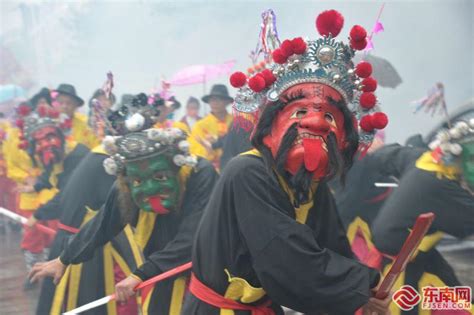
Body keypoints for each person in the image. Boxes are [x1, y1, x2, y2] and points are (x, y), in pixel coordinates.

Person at [182, 9, 391, 315]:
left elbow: (331, 243)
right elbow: (285, 256)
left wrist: (362, 292)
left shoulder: (309, 181)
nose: (316, 123)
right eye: (301, 112)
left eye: (329, 116)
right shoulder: (247, 172)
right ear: (273, 123)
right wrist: (358, 285)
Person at [30, 93, 218, 314]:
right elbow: (105, 220)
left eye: (159, 177)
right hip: (163, 273)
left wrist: (140, 274)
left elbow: (192, 239)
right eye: (138, 181)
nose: (148, 189)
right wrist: (64, 258)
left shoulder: (199, 174)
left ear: (176, 167)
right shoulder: (127, 177)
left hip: (207, 274)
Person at [30, 94, 153, 315]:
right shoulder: (108, 162)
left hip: (74, 241)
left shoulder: (95, 154)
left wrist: (39, 213)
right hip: (86, 245)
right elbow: (118, 213)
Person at [368, 121, 474, 315]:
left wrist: (377, 150)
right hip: (402, 264)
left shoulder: (424, 159)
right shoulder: (444, 188)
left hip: (414, 254)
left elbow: (388, 156)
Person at [13, 102, 89, 289]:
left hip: (91, 222)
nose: (45, 144)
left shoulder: (77, 155)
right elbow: (50, 173)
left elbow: (67, 196)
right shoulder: (55, 154)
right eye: (39, 142)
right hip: (75, 219)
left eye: (49, 138)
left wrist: (37, 215)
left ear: (60, 137)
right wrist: (36, 187)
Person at [188, 84, 233, 169]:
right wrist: (208, 149)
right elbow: (195, 150)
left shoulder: (236, 122)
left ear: (227, 102)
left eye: (219, 99)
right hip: (211, 170)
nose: (215, 103)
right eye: (212, 100)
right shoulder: (200, 125)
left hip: (234, 167)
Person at [54, 83, 99, 148]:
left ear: (75, 106)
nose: (64, 106)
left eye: (69, 103)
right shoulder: (48, 123)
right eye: (61, 102)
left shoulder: (84, 124)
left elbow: (96, 146)